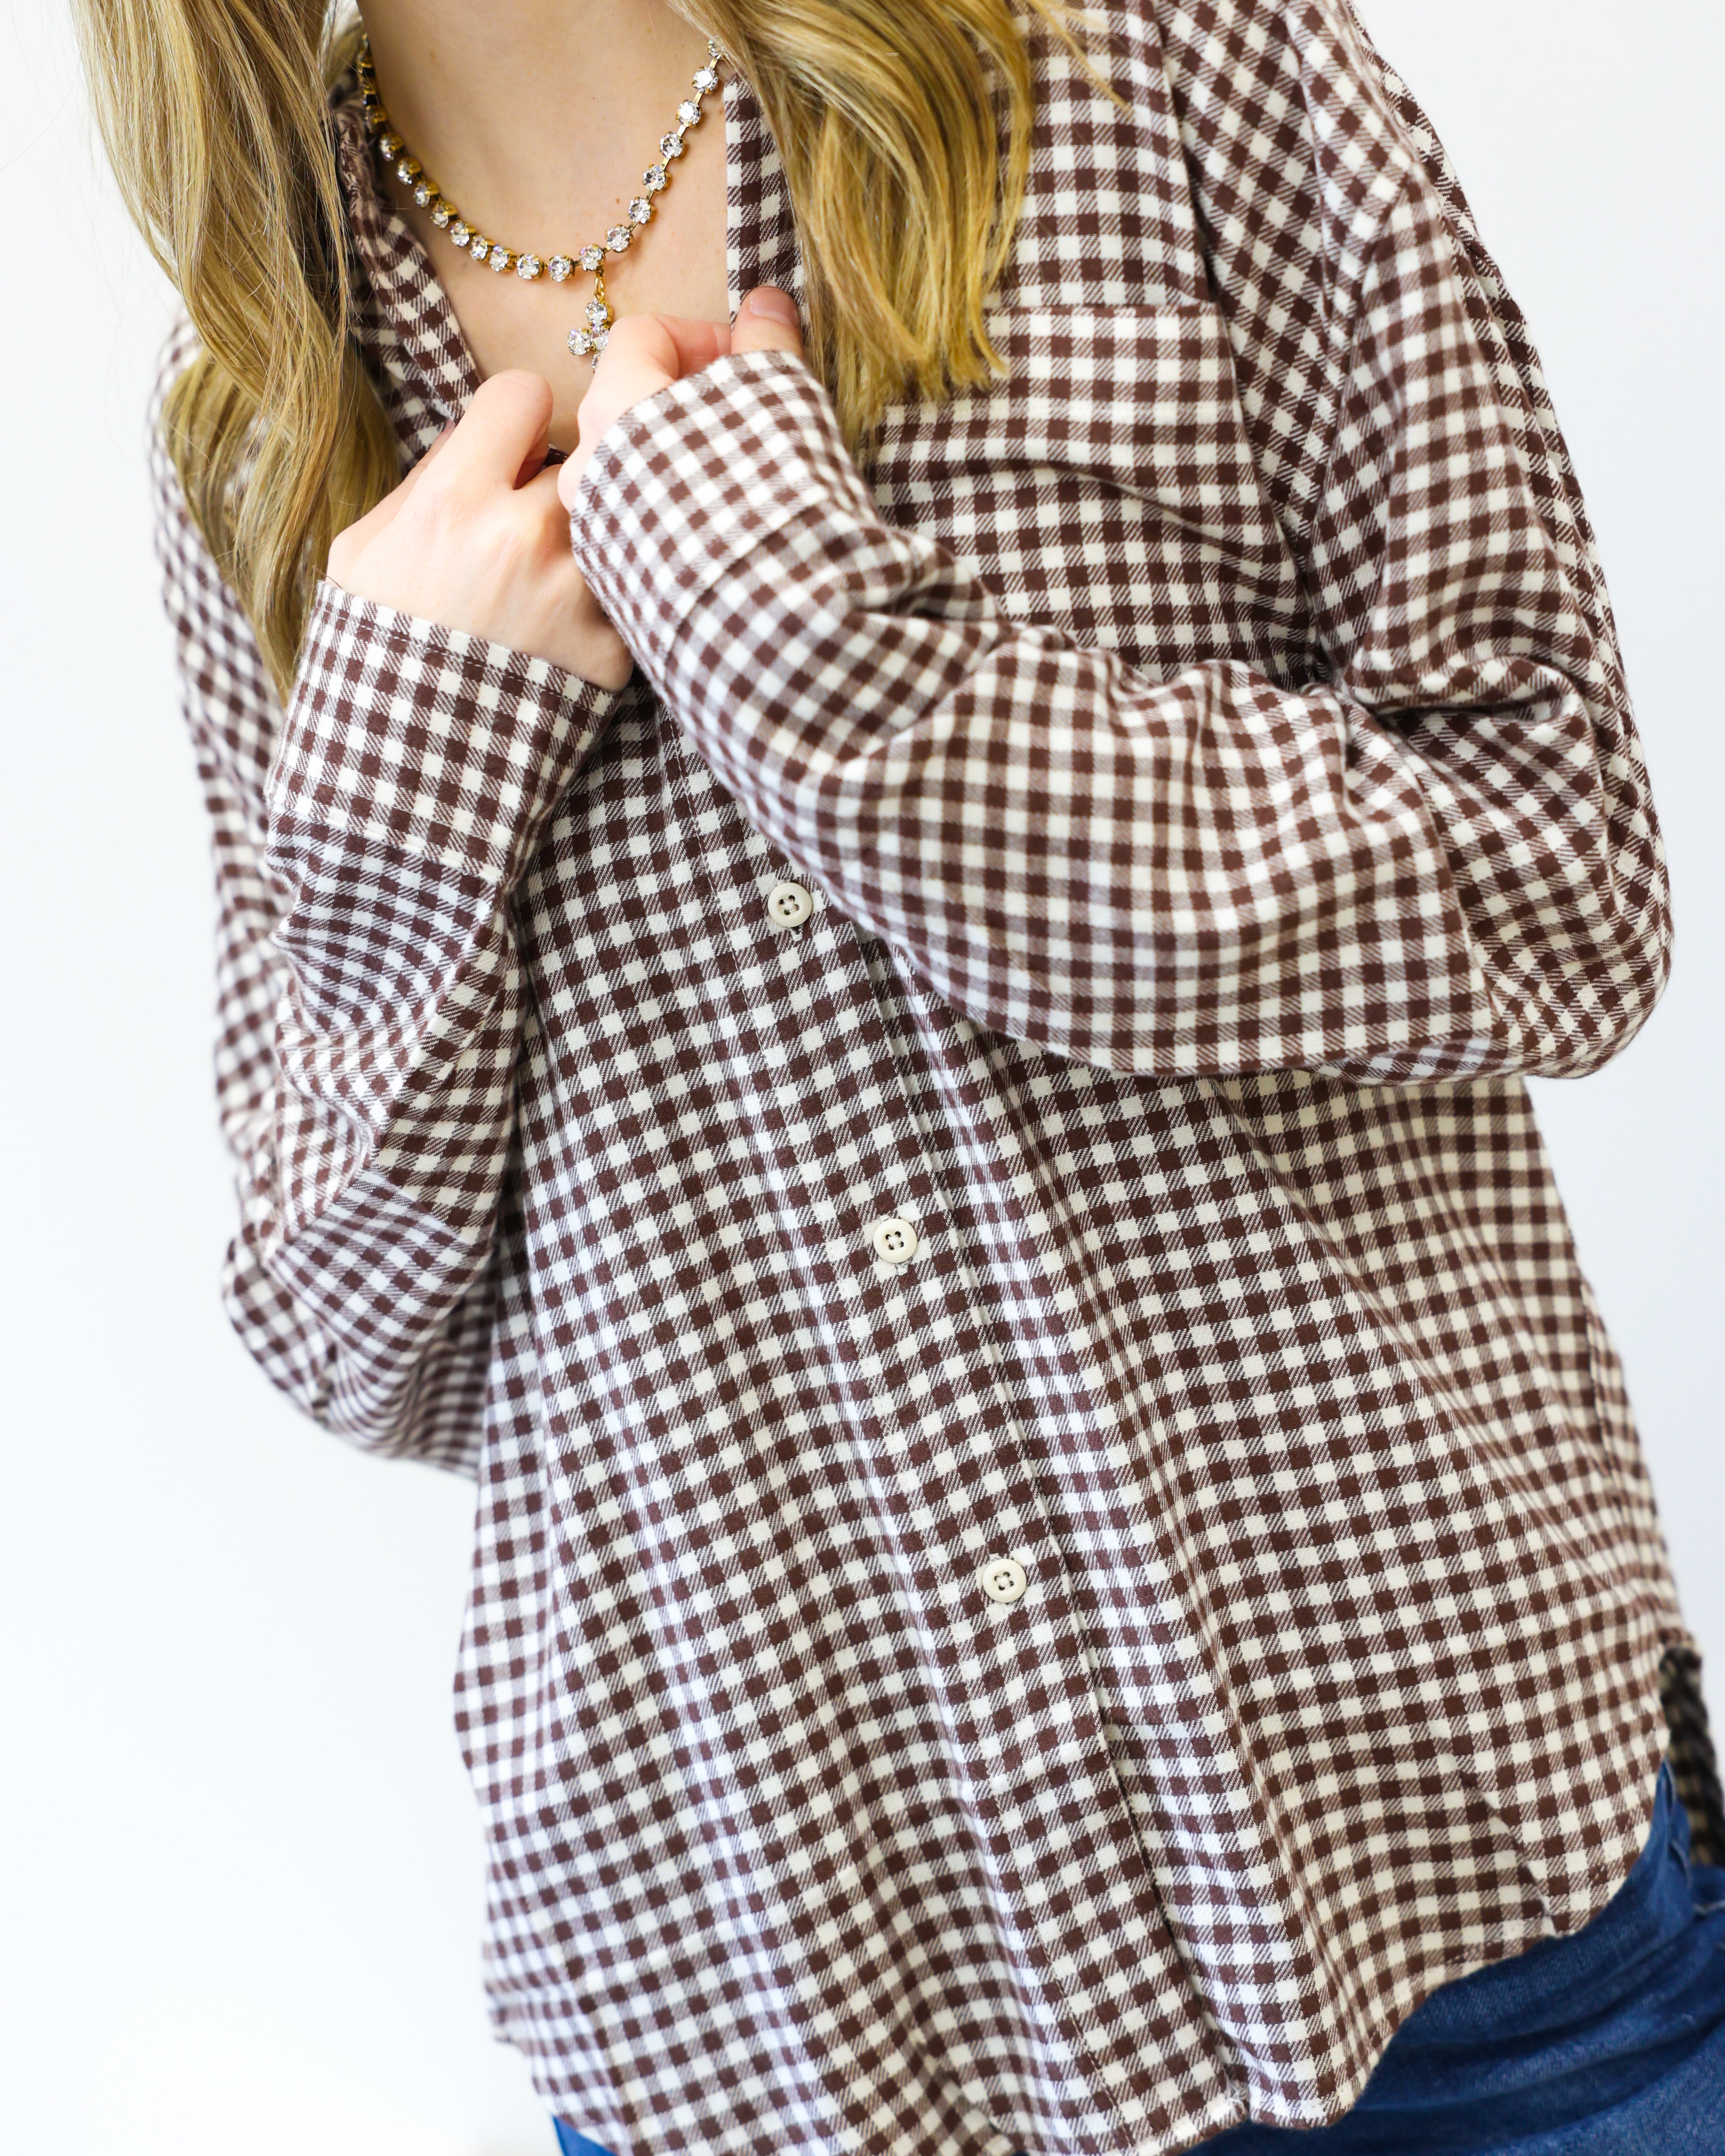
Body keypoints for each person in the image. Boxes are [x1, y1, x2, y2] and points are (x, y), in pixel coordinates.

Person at [72, 0, 1725, 2147]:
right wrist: (409, 794)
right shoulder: (262, 420)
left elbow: (1561, 887)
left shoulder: (1158, 65)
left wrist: (848, 683)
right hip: (782, 2009)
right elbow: (357, 1343)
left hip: (1462, 1928)